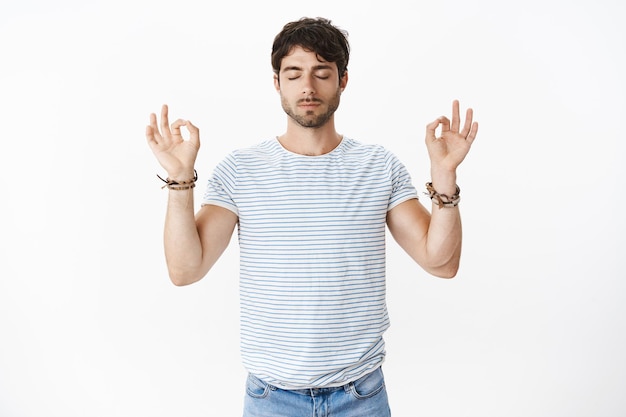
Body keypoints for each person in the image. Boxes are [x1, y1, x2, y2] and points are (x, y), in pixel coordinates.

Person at [145, 17, 477, 417]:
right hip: (272, 399)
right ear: (276, 83)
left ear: (343, 81)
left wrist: (444, 178)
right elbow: (185, 270)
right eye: (294, 74)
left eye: (322, 73)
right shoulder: (242, 170)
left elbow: (441, 263)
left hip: (361, 397)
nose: (308, 87)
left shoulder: (378, 167)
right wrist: (180, 180)